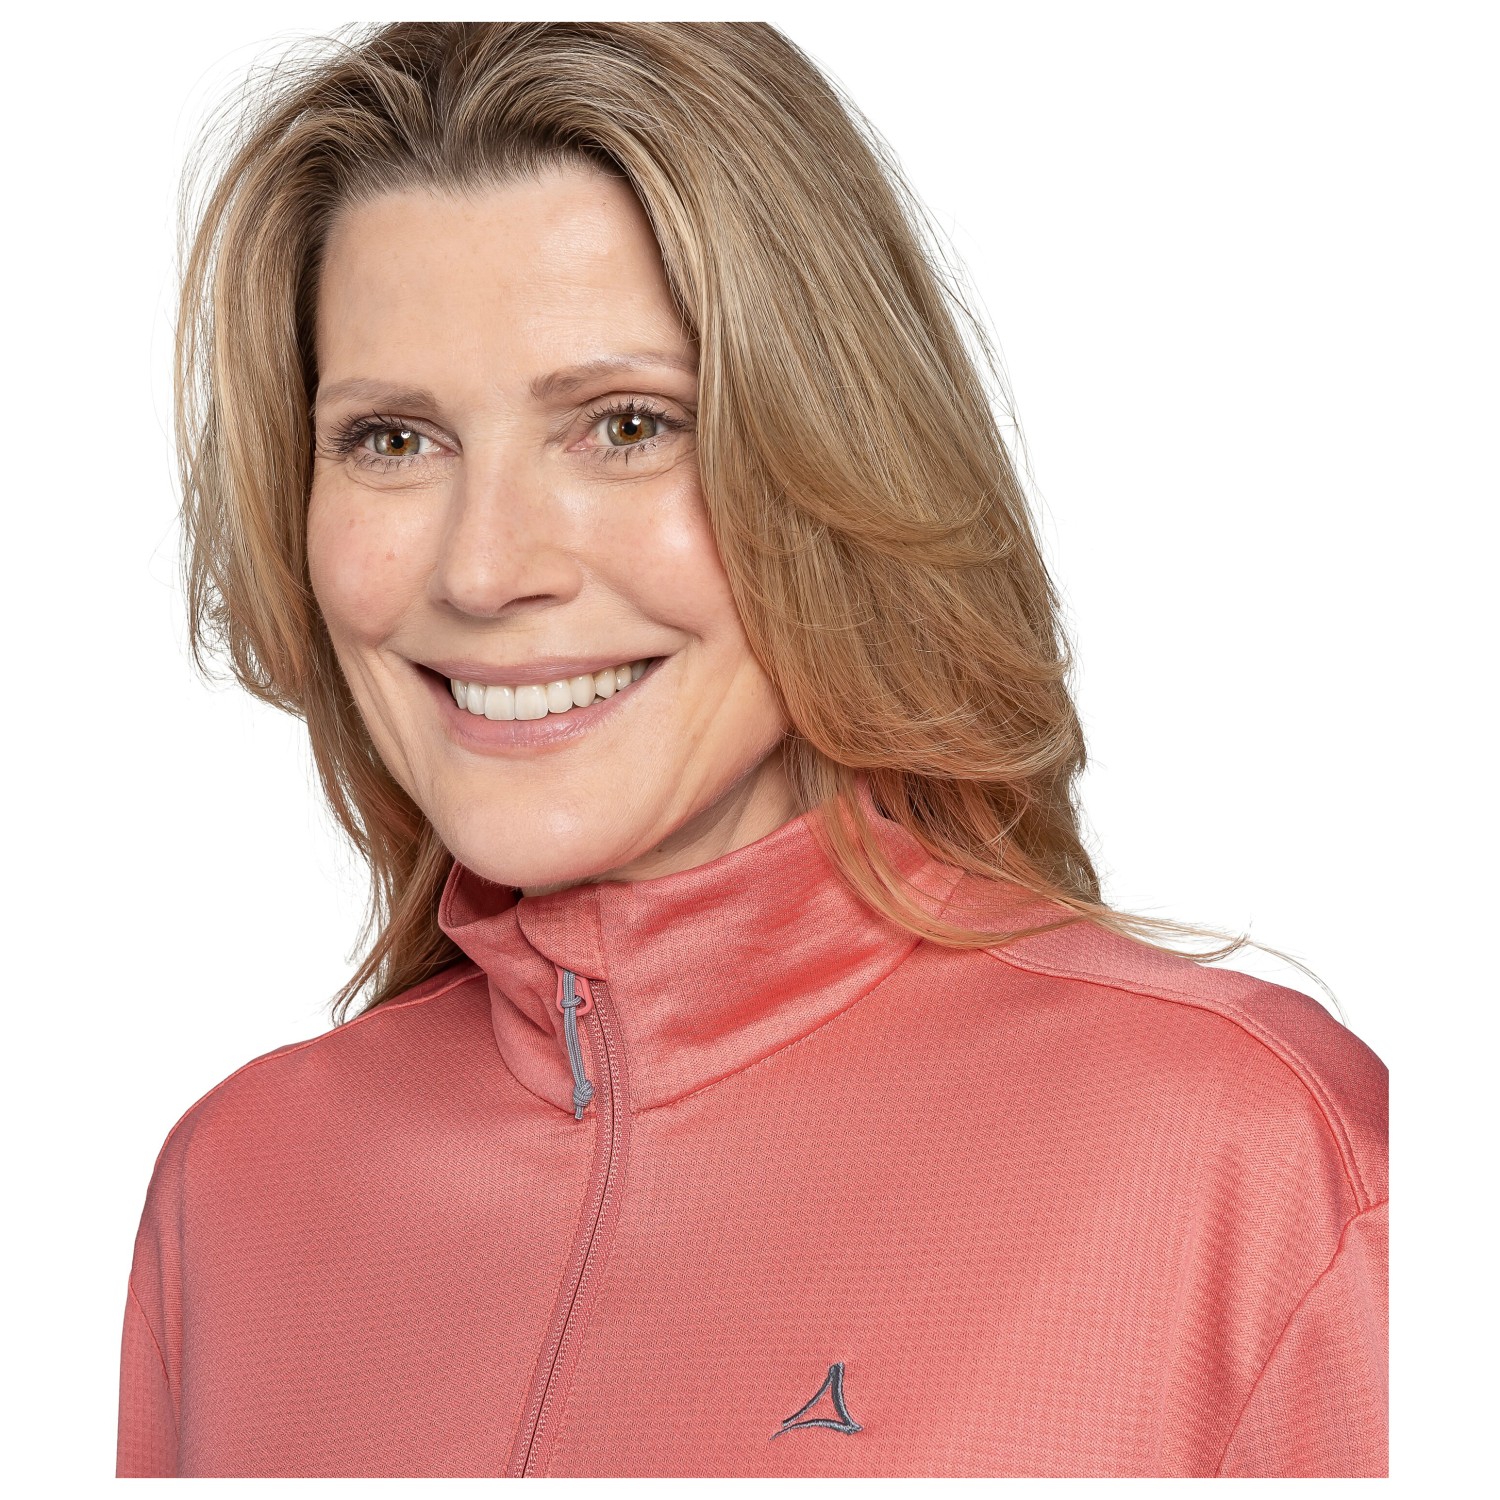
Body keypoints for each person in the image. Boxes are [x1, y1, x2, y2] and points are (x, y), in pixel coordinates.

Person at [116, 20, 1387, 1479]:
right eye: (393, 440)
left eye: (626, 425)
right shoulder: (239, 1190)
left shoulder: (1247, 1155)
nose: (485, 568)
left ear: (837, 456)